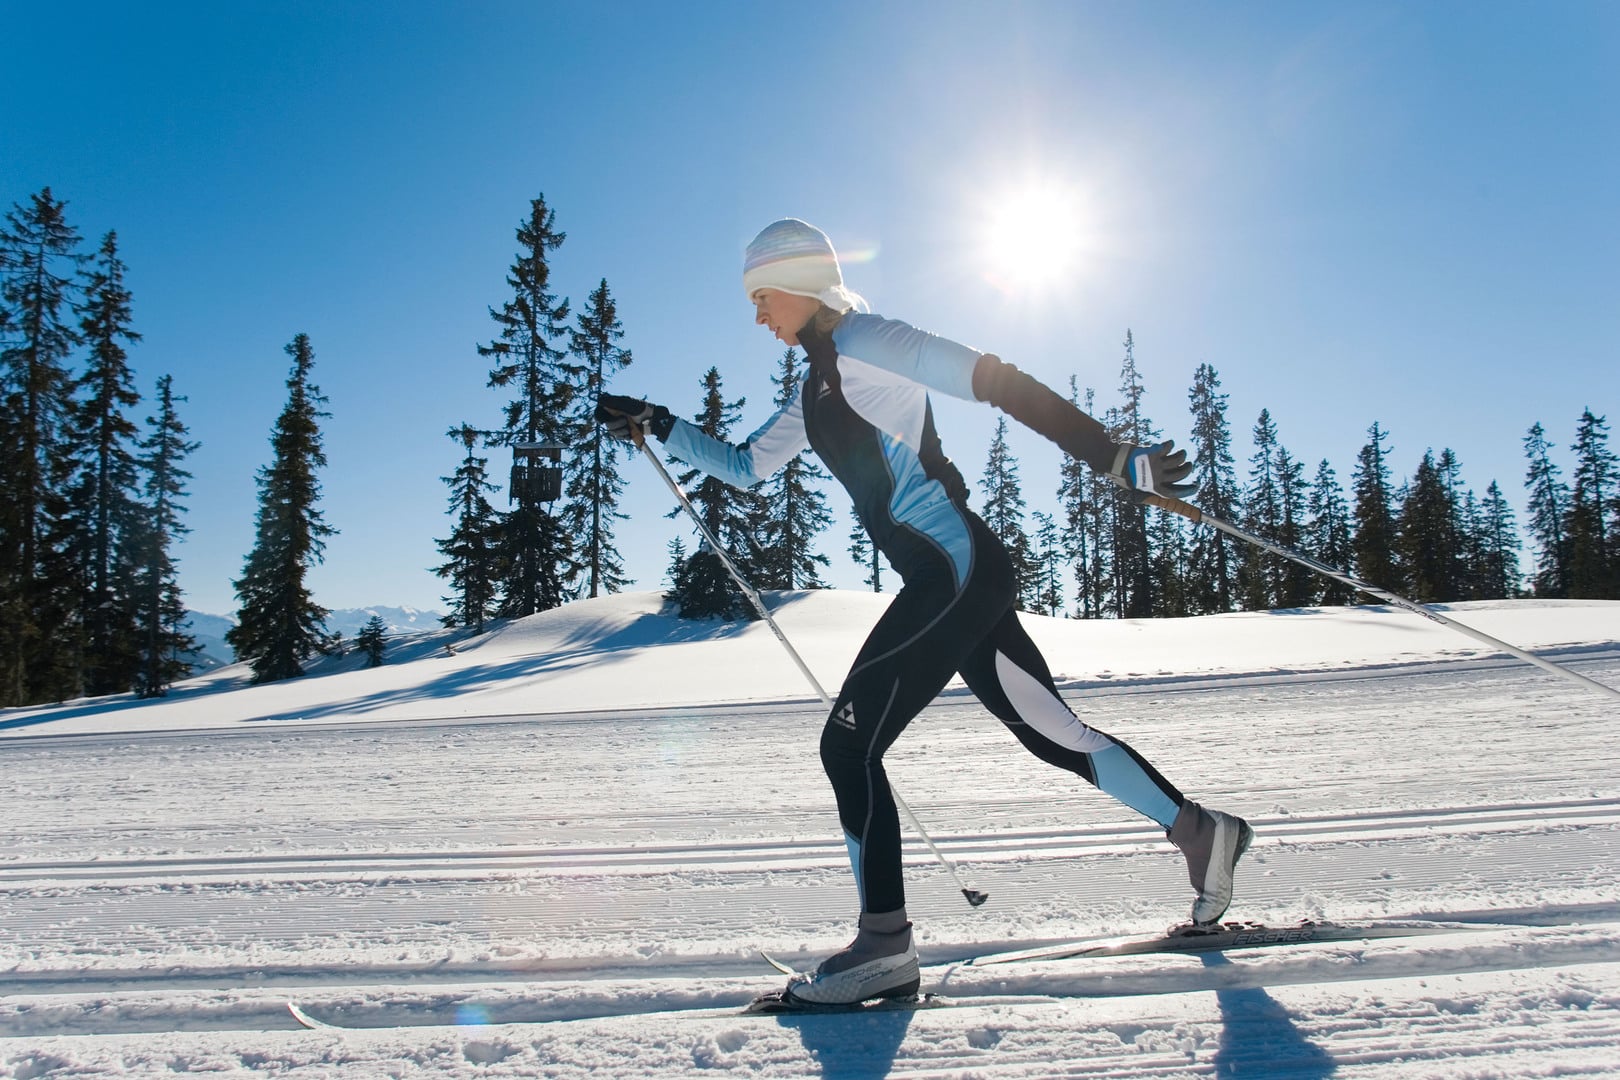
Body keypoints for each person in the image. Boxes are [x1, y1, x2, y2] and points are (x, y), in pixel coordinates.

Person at [596, 218, 1253, 1007]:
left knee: (848, 748)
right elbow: (743, 469)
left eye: (760, 296)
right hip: (953, 576)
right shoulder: (816, 387)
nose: (757, 316)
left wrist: (1110, 455)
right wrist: (660, 425)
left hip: (954, 568)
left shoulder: (869, 340)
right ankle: (1201, 834)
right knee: (1054, 733)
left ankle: (883, 947)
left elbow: (993, 378)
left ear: (797, 282)